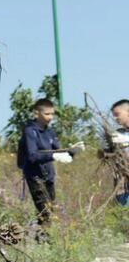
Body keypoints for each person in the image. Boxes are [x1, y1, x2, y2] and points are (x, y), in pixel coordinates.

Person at [16, 98, 83, 232]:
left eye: (52, 114)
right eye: (47, 114)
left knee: (50, 208)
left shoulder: (50, 132)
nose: (50, 117)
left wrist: (72, 151)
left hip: (49, 175)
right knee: (45, 210)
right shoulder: (30, 131)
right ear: (37, 113)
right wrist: (53, 156)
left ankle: (42, 237)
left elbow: (58, 150)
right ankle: (46, 240)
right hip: (35, 176)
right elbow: (32, 156)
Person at [107, 99, 129, 206]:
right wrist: (105, 147)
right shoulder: (118, 134)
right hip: (123, 183)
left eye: (117, 114)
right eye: (113, 116)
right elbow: (104, 155)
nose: (115, 118)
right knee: (123, 213)